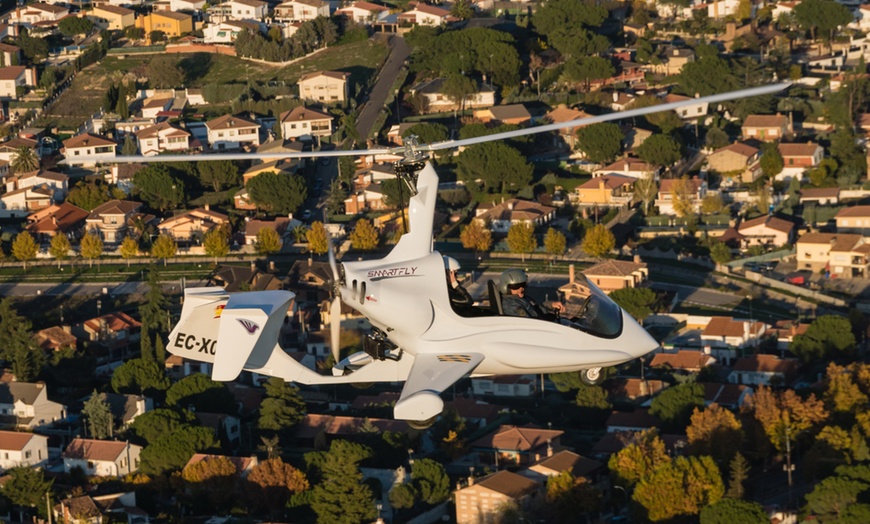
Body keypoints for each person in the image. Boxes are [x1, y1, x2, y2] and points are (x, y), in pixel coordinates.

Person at [498, 268, 563, 320]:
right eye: (516, 286)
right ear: (505, 287)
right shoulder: (510, 305)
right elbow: (529, 323)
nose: (521, 289)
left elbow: (537, 308)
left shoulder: (521, 298)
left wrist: (551, 305)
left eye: (523, 285)